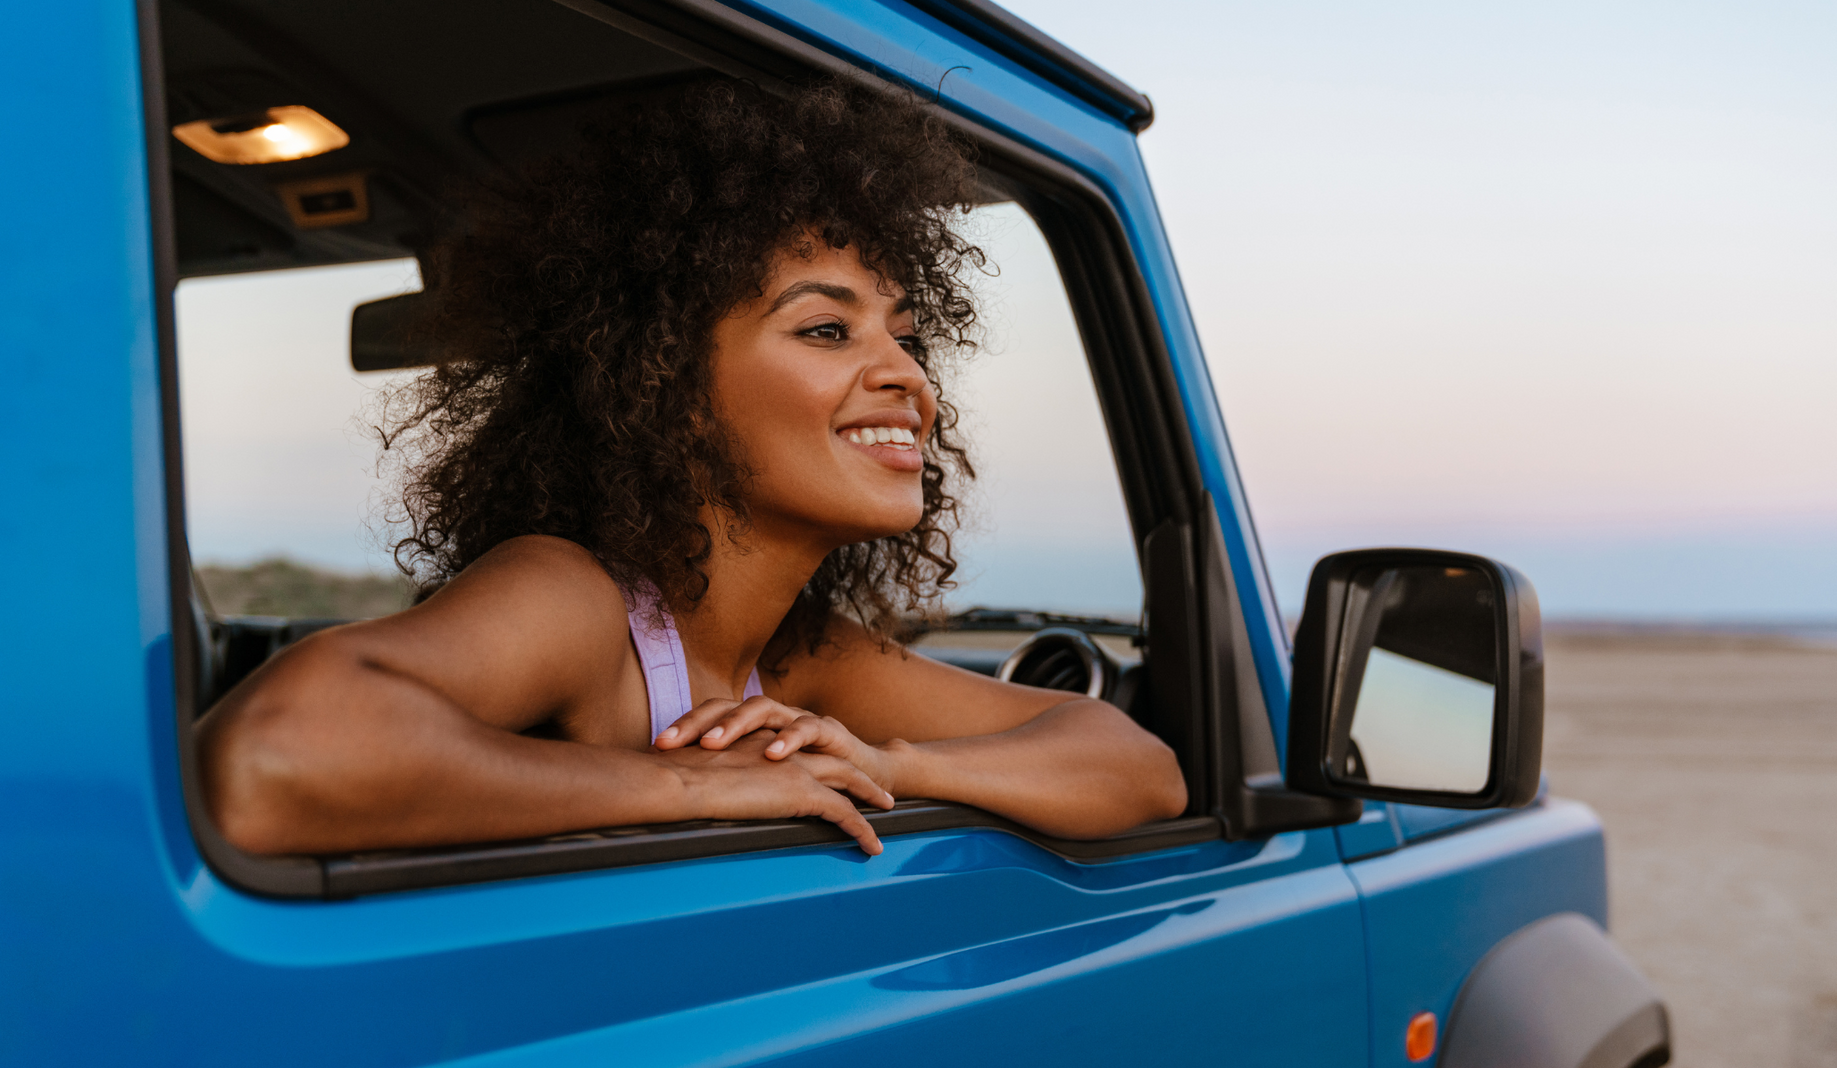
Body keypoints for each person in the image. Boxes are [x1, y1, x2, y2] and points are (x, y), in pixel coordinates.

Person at [197, 80, 1186, 858]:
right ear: (667, 385)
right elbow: (275, 754)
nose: (905, 379)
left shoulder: (802, 657)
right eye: (825, 328)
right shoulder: (575, 597)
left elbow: (1136, 769)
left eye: (907, 337)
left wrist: (889, 762)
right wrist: (697, 786)